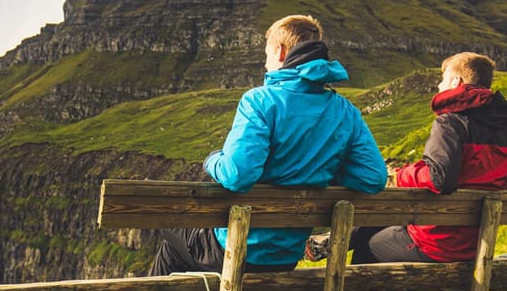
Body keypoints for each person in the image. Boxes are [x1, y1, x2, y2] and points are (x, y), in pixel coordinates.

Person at [336, 51, 507, 291]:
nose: (439, 87)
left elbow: (440, 178)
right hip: (475, 245)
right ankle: (333, 248)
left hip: (437, 244)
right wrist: (494, 177)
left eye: (442, 80)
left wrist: (404, 175)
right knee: (372, 227)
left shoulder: (450, 123)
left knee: (365, 244)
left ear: (456, 81)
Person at [150, 15, 389, 276]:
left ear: (281, 51)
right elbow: (373, 177)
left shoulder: (259, 101)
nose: (265, 64)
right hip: (286, 258)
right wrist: (324, 168)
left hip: (237, 252)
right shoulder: (345, 110)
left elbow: (237, 175)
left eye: (266, 54)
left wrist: (212, 160)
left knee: (169, 227)